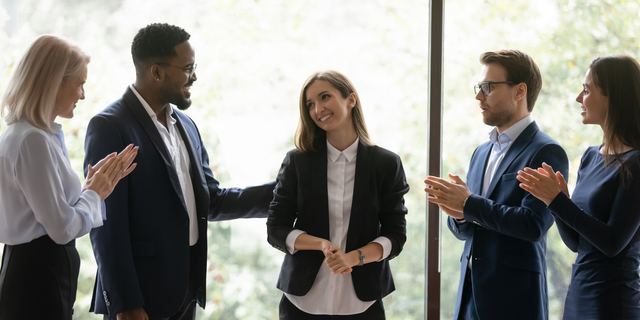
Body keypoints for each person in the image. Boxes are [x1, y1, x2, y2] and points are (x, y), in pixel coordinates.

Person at [83, 23, 276, 320]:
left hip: (185, 292)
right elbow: (107, 225)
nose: (195, 76)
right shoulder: (110, 126)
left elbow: (212, 200)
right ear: (157, 72)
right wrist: (125, 304)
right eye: (188, 68)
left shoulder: (188, 126)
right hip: (140, 300)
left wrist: (285, 191)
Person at [424, 49, 569, 320]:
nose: (479, 96)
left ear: (519, 91)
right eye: (478, 87)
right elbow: (471, 229)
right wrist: (458, 214)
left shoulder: (546, 151)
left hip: (514, 301)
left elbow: (533, 225)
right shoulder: (481, 152)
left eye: (488, 87)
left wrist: (468, 204)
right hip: (469, 298)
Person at [0, 35, 137, 320]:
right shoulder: (32, 140)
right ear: (54, 82)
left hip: (37, 274)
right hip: (37, 280)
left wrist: (91, 188)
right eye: (80, 84)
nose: (83, 95)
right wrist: (94, 194)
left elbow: (49, 212)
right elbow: (61, 227)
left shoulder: (32, 135)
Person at [266, 70, 410, 319]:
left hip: (362, 303)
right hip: (301, 302)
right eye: (310, 104)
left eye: (325, 97)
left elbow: (395, 235)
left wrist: (355, 258)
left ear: (351, 100)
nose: (317, 109)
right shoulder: (297, 161)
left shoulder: (386, 163)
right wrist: (320, 244)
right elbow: (276, 229)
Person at [517, 55, 640, 319]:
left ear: (613, 96)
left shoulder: (636, 164)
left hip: (612, 302)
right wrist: (556, 201)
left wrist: (559, 202)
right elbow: (576, 243)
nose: (578, 98)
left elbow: (612, 243)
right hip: (578, 295)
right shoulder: (589, 156)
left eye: (586, 90)